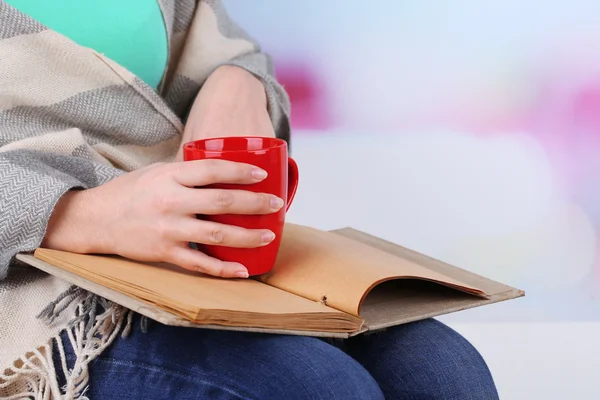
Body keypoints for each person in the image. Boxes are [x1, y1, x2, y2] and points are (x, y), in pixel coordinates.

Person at [0, 1, 500, 399]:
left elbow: (222, 46)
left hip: (178, 258)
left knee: (445, 371)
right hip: (36, 295)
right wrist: (79, 214)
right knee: (312, 387)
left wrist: (237, 82)